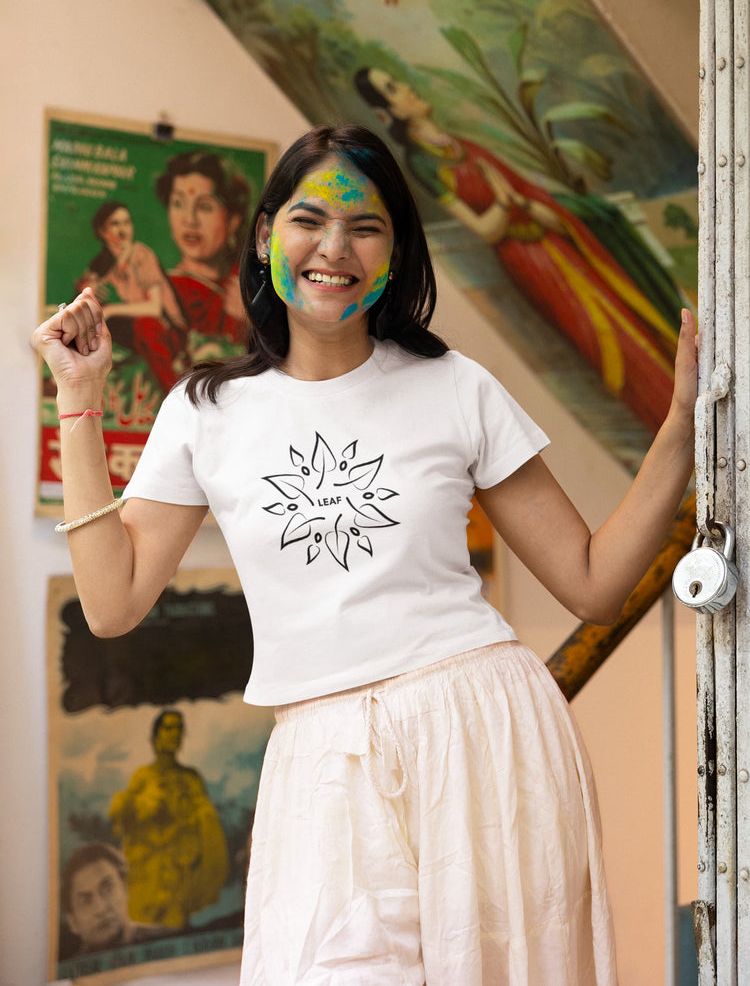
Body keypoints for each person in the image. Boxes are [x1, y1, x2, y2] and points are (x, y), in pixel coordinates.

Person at [33, 124, 697, 985]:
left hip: (482, 735)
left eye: (366, 226)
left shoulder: (455, 387)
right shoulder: (206, 411)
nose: (334, 248)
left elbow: (596, 581)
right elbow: (112, 603)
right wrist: (79, 400)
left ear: (395, 252)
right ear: (267, 233)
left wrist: (680, 429)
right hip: (319, 763)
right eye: (311, 219)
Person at [355, 66, 688, 436]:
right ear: (389, 113)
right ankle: (675, 431)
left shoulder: (463, 143)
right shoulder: (422, 164)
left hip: (560, 246)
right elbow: (486, 229)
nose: (407, 88)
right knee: (610, 342)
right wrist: (503, 202)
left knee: (636, 317)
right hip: (531, 263)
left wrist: (528, 207)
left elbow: (533, 200)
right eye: (393, 88)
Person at [109, 708, 230, 928]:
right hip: (147, 877)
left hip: (178, 878)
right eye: (169, 728)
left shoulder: (191, 779)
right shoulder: (143, 777)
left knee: (176, 929)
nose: (175, 734)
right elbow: (121, 822)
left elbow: (208, 826)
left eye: (179, 729)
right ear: (156, 736)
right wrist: (138, 805)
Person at [76, 200, 188, 392]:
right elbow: (85, 286)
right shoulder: (104, 263)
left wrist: (110, 310)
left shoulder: (141, 255)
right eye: (115, 224)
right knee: (87, 319)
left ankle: (173, 392)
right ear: (102, 232)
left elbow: (154, 308)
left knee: (144, 325)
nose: (123, 230)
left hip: (167, 330)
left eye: (126, 222)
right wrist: (86, 288)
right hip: (136, 330)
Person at [155, 150, 251, 350]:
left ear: (233, 221)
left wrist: (248, 321)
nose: (189, 220)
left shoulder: (250, 290)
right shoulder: (160, 291)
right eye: (178, 203)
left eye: (205, 207)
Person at [60, 841, 178, 955]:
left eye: (107, 889)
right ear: (73, 922)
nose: (101, 908)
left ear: (125, 888)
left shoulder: (172, 939)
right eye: (85, 901)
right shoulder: (71, 973)